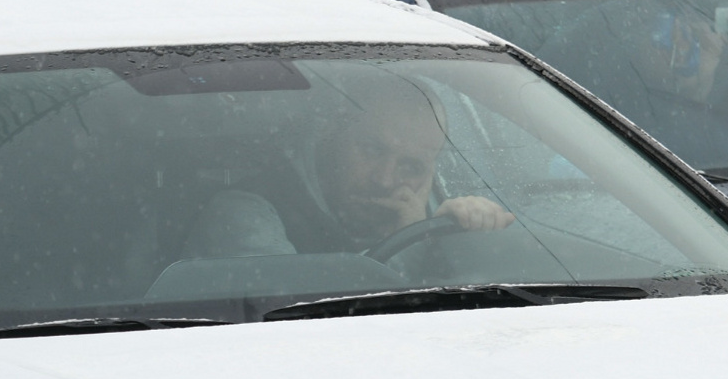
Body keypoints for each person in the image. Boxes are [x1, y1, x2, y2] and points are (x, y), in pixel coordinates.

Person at [184, 74, 513, 258]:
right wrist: (406, 249)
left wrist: (464, 236)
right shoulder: (246, 212)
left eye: (411, 167)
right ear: (333, 134)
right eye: (372, 149)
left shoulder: (415, 211)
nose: (385, 180)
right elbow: (306, 317)